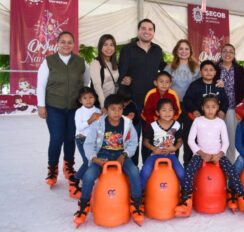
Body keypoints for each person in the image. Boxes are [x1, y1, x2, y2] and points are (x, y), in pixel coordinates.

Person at [174, 95, 244, 218]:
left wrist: (220, 154)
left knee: (232, 171)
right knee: (190, 171)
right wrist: (201, 153)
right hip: (201, 155)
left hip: (218, 155)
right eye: (207, 107)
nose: (210, 110)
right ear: (202, 108)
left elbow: (226, 142)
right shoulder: (198, 121)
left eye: (213, 107)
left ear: (218, 107)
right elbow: (190, 140)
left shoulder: (220, 122)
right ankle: (186, 201)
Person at [73, 94, 143, 227]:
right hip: (102, 155)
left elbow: (134, 142)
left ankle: (136, 202)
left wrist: (124, 155)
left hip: (120, 154)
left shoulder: (127, 123)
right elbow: (88, 144)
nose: (117, 112)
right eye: (113, 109)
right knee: (88, 176)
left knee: (134, 172)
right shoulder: (98, 123)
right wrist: (94, 158)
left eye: (120, 109)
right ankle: (84, 204)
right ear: (105, 110)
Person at [37, 31, 89, 189]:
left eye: (69, 42)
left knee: (70, 138)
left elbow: (86, 84)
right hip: (54, 107)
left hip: (74, 108)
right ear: (57, 44)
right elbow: (41, 85)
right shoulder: (49, 61)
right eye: (63, 42)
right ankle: (52, 170)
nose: (66, 45)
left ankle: (69, 167)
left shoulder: (81, 62)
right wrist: (41, 105)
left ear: (74, 45)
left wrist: (85, 104)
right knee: (56, 138)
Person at [118, 18, 165, 164]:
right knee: (132, 139)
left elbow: (165, 70)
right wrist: (126, 79)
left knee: (149, 139)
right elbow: (121, 74)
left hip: (152, 103)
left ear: (153, 32)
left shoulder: (157, 50)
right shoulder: (127, 49)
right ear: (138, 31)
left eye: (150, 29)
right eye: (143, 28)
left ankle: (147, 170)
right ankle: (132, 172)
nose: (147, 31)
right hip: (132, 102)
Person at [165, 39, 200, 167]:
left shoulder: (196, 68)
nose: (183, 51)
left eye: (186, 49)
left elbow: (200, 87)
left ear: (190, 51)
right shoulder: (169, 67)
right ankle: (172, 163)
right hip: (173, 106)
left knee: (189, 135)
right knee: (173, 133)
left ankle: (188, 164)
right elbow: (164, 85)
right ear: (176, 51)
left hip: (189, 106)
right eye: (181, 49)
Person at [140, 98, 185, 190]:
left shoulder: (177, 125)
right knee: (145, 172)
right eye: (164, 110)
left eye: (170, 110)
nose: (167, 113)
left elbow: (180, 140)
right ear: (157, 112)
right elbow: (145, 141)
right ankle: (140, 194)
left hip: (170, 155)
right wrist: (153, 148)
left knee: (181, 173)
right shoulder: (153, 126)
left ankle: (185, 193)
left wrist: (175, 148)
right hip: (155, 155)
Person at [216, 44, 244, 162]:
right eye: (225, 51)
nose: (228, 54)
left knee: (230, 139)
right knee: (216, 139)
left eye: (231, 52)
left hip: (232, 109)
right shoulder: (215, 68)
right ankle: (215, 166)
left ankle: (229, 166)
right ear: (221, 53)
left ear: (234, 55)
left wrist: (238, 106)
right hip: (216, 110)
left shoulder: (239, 69)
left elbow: (243, 89)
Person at [72, 87, 101, 198]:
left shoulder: (98, 110)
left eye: (91, 97)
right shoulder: (79, 111)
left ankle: (86, 179)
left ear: (95, 98)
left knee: (92, 161)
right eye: (85, 98)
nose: (88, 100)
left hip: (93, 141)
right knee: (87, 161)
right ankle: (76, 178)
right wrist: (90, 120)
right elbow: (79, 127)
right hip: (82, 139)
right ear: (80, 100)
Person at [89, 34, 119, 108]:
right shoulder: (95, 63)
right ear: (100, 47)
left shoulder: (114, 63)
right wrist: (103, 105)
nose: (109, 48)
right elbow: (97, 86)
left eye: (111, 45)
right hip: (101, 103)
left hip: (114, 103)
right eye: (105, 44)